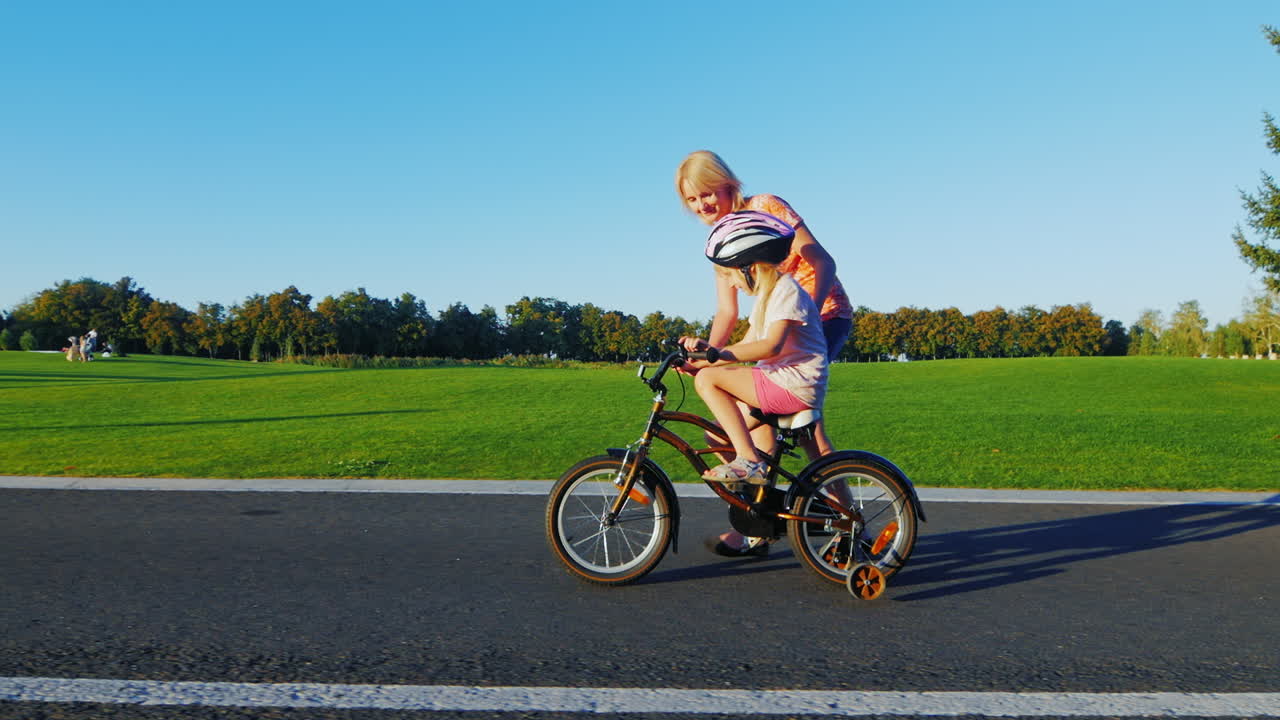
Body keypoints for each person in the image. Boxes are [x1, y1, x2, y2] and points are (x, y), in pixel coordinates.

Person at [675, 150, 854, 556]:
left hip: (820, 314)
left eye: (708, 193)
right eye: (692, 200)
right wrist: (708, 355)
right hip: (775, 327)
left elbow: (822, 261)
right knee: (731, 428)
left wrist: (799, 315)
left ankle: (845, 521)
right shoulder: (722, 244)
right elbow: (727, 311)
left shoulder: (764, 209)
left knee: (806, 430)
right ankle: (757, 523)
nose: (703, 205)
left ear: (729, 185)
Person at [682, 211, 829, 489]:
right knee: (715, 435)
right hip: (778, 382)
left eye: (730, 275)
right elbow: (746, 346)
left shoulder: (786, 290)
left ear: (750, 266)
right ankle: (756, 510)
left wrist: (713, 363)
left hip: (794, 384)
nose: (732, 284)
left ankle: (748, 460)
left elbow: (770, 346)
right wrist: (700, 360)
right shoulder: (767, 297)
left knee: (708, 380)